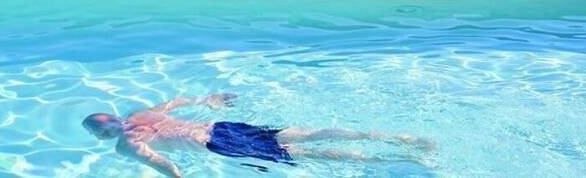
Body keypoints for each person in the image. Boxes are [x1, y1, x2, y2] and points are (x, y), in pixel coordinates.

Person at [82, 93, 434, 177]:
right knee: (307, 135)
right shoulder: (138, 114)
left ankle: (397, 159)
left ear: (102, 135)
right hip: (220, 128)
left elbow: (160, 163)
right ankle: (395, 139)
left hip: (216, 141)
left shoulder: (125, 145)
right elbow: (176, 101)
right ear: (112, 116)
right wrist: (212, 99)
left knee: (304, 155)